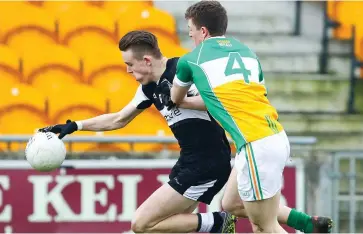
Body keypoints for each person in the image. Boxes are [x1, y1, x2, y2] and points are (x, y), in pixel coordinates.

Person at [39, 30, 235, 233]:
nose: (127, 71)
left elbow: (219, 101)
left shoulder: (182, 72)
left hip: (207, 163)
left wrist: (183, 99)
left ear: (147, 60)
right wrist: (76, 126)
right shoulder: (148, 88)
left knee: (141, 223)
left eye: (130, 64)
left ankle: (219, 222)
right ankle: (214, 224)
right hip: (189, 161)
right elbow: (118, 119)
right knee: (173, 226)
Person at [165, 1, 333, 233]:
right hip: (272, 136)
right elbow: (235, 98)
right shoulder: (247, 52)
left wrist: (178, 99)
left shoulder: (191, 59)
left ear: (203, 31)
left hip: (256, 144)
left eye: (191, 30)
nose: (190, 35)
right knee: (231, 204)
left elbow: (175, 96)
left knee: (263, 226)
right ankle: (307, 223)